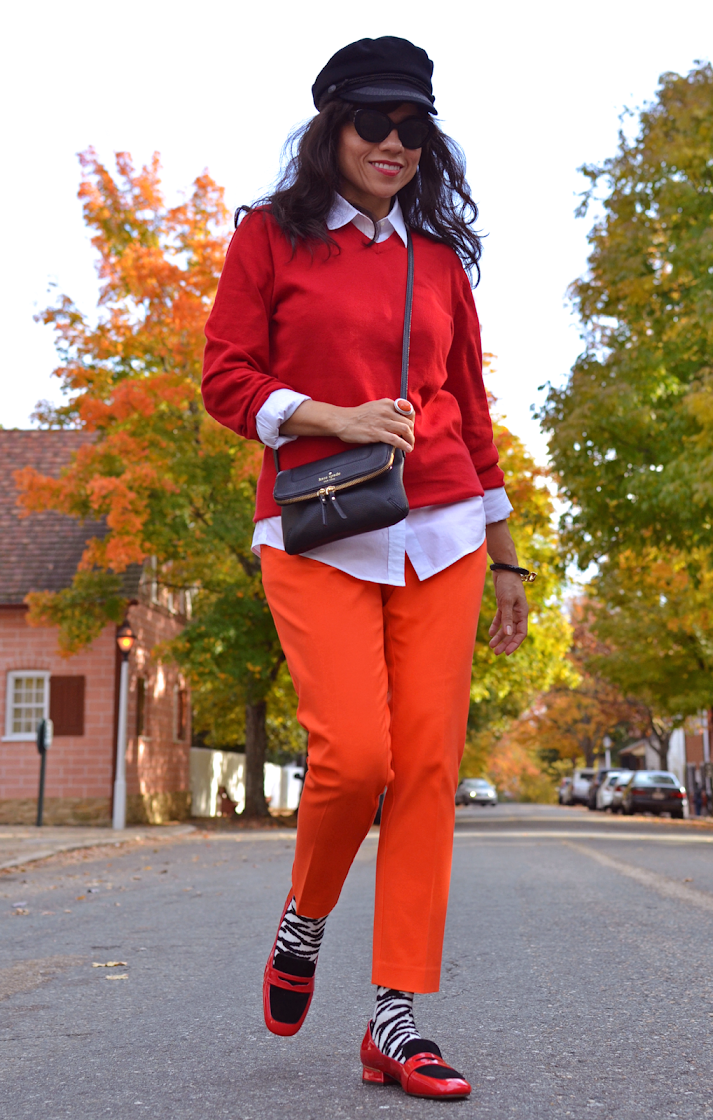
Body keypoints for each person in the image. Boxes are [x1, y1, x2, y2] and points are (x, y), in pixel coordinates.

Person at [202, 35, 531, 1100]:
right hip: (317, 523)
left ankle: (395, 1019)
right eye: (373, 122)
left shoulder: (439, 260)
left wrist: (507, 556)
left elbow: (470, 410)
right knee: (353, 756)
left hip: (442, 529)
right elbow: (224, 378)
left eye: (412, 126)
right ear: (331, 129)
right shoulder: (269, 237)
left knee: (426, 768)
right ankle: (305, 916)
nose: (394, 142)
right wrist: (331, 416)